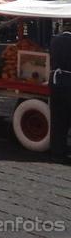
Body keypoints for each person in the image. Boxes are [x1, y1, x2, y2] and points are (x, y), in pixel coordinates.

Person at [50, 30, 71, 164]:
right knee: (67, 118)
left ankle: (57, 151)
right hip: (69, 81)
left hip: (56, 82)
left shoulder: (55, 40)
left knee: (57, 119)